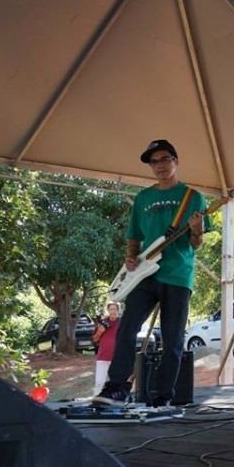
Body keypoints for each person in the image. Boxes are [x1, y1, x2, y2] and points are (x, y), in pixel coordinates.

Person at [93, 139, 209, 408]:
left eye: (165, 159)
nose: (160, 166)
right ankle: (117, 388)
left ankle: (163, 395)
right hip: (144, 276)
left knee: (173, 338)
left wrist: (197, 230)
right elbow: (134, 237)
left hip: (178, 274)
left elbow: (196, 245)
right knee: (127, 327)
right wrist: (130, 258)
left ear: (176, 161)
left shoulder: (192, 197)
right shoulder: (143, 198)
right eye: (154, 161)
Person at [92, 302, 120, 396]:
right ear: (108, 310)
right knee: (100, 382)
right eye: (111, 309)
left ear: (118, 310)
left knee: (116, 383)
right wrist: (100, 332)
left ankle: (114, 400)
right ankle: (96, 399)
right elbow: (95, 339)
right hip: (103, 356)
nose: (113, 311)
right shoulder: (102, 323)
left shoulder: (122, 322)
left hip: (117, 358)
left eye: (115, 309)